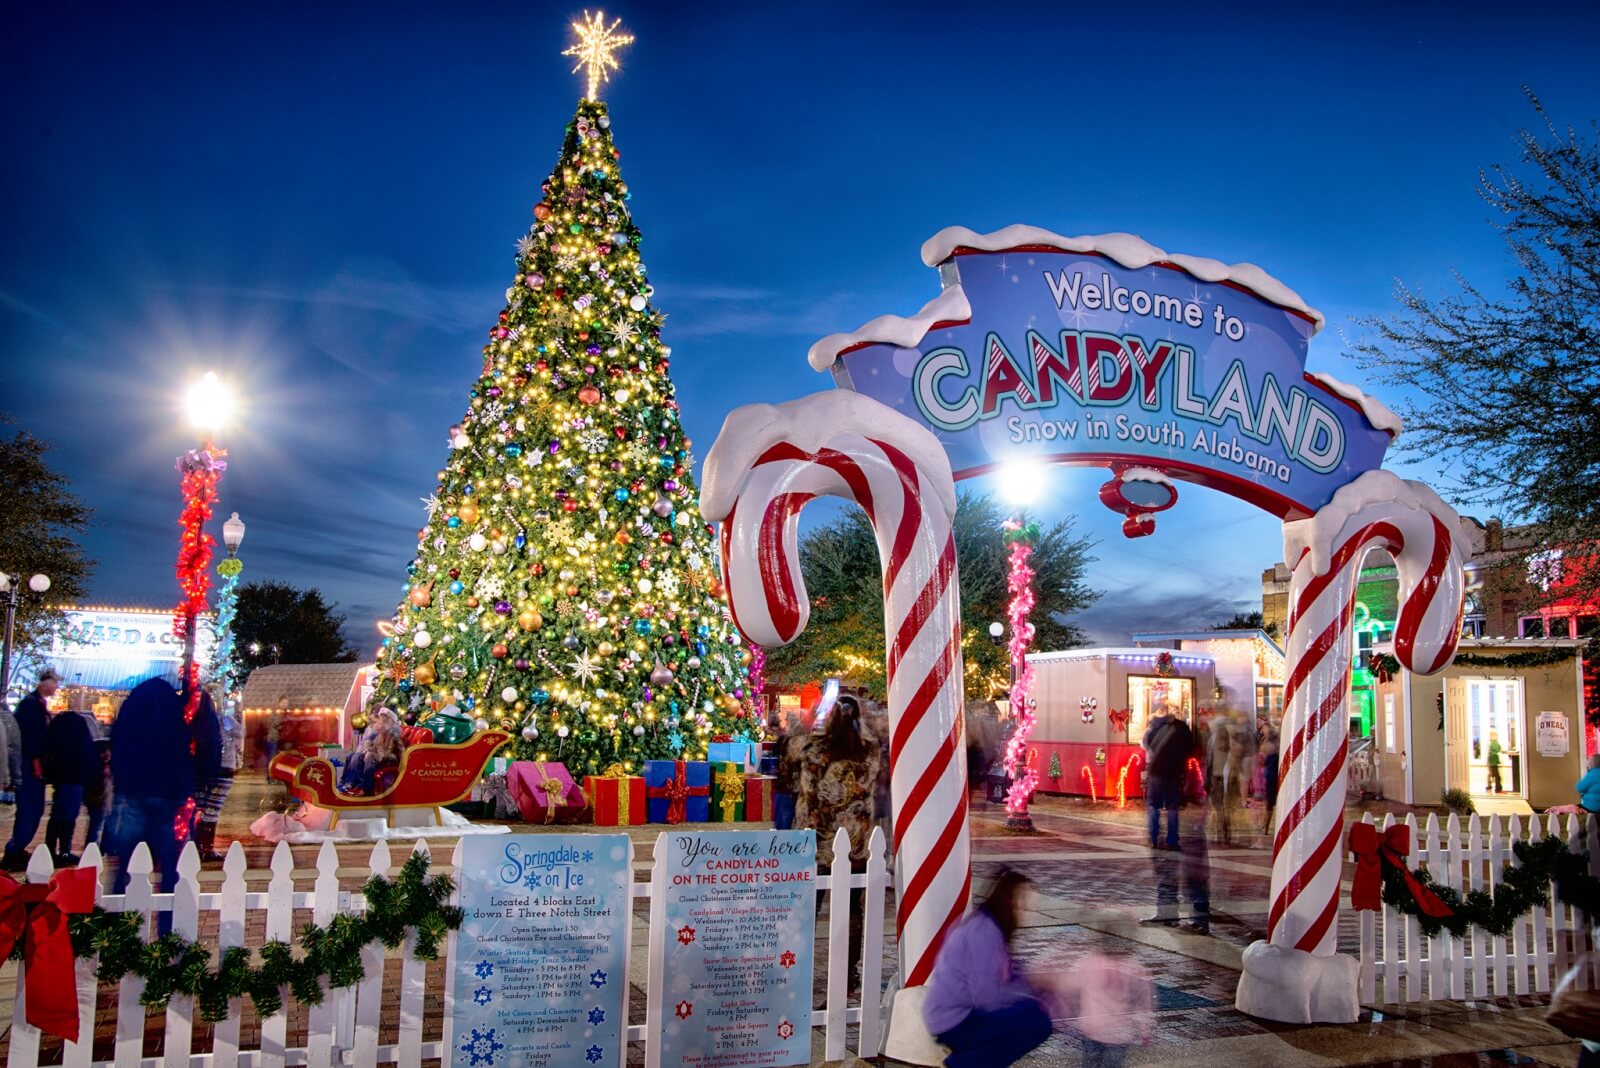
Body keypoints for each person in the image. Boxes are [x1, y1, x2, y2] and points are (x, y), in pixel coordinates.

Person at [921, 868, 1053, 1067]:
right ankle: (961, 1063)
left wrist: (1034, 984)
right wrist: (1030, 996)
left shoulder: (991, 927)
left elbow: (1009, 978)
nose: (1028, 914)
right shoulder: (984, 932)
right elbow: (988, 997)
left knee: (1036, 1010)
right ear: (1009, 902)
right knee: (1038, 1021)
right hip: (953, 1018)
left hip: (960, 1011)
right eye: (1025, 906)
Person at [794, 694, 881, 993]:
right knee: (851, 911)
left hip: (819, 842)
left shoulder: (816, 752)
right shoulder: (868, 752)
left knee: (810, 908)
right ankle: (847, 975)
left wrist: (801, 834)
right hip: (856, 843)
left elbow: (807, 799)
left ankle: (798, 970)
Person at [104, 677, 192, 893]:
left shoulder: (132, 717)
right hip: (165, 793)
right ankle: (167, 920)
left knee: (124, 858)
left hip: (133, 791)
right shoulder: (173, 718)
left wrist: (121, 781)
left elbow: (117, 747)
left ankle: (116, 917)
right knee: (167, 861)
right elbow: (182, 754)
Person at [3, 667, 61, 870]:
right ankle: (15, 850)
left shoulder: (34, 704)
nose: (57, 688)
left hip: (31, 765)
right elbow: (31, 738)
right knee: (30, 809)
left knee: (31, 809)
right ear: (45, 683)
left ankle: (17, 848)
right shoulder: (32, 706)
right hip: (30, 766)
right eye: (55, 683)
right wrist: (36, 763)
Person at [43, 701, 97, 863]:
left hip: (61, 777)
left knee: (57, 815)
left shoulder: (57, 729)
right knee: (68, 815)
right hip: (74, 778)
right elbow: (87, 754)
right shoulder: (80, 728)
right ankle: (64, 850)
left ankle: (50, 849)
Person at [1142, 709, 1191, 850]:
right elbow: (1189, 747)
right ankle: (1172, 840)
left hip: (1156, 770)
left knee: (1153, 805)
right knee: (1172, 807)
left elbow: (1147, 745)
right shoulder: (1181, 728)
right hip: (1174, 772)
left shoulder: (1153, 728)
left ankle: (1153, 838)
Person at [188, 689, 226, 861]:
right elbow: (215, 747)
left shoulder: (190, 722)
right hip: (214, 772)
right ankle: (205, 848)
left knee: (196, 808)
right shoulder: (213, 723)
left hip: (194, 771)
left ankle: (194, 846)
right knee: (210, 811)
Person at [339, 709, 404, 796]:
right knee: (355, 755)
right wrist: (368, 750)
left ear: (388, 721)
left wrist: (373, 754)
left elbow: (400, 751)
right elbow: (375, 746)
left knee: (370, 757)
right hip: (380, 756)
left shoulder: (394, 734)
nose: (379, 720)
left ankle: (366, 789)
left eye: (382, 719)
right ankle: (353, 783)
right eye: (380, 718)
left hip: (389, 759)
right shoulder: (381, 733)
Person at [771, 711, 805, 831]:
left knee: (784, 821)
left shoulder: (786, 740)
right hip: (792, 787)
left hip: (787, 787)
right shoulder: (802, 742)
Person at [83, 738, 112, 850]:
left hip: (101, 800)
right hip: (98, 800)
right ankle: (93, 847)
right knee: (97, 823)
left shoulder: (99, 768)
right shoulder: (98, 770)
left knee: (100, 823)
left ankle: (100, 847)